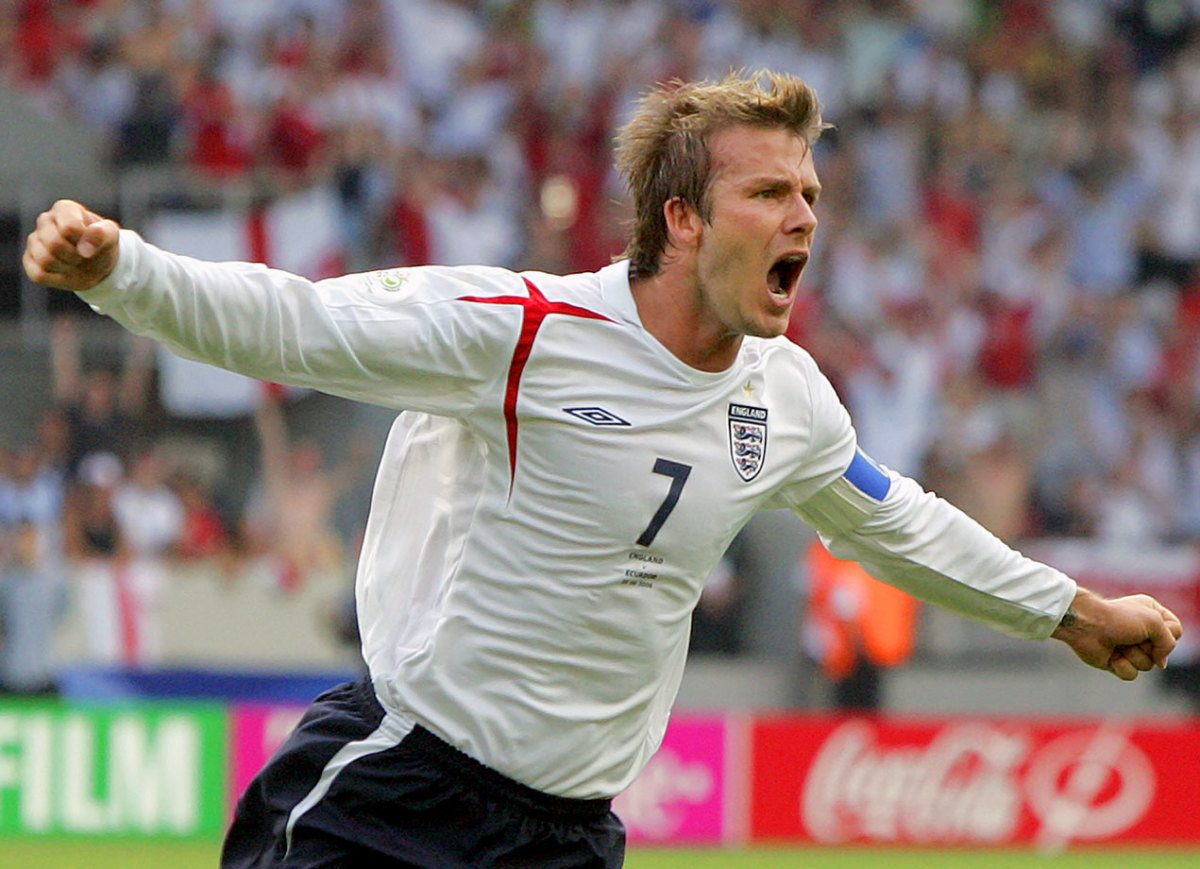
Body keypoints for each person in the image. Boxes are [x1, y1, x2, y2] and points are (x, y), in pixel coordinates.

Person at [23, 71, 1182, 869]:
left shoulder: (785, 395)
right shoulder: (524, 331)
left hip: (568, 837)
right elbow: (299, 326)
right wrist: (122, 272)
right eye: (769, 192)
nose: (804, 217)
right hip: (396, 793)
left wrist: (1071, 610)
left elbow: (900, 522)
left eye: (811, 195)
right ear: (682, 219)